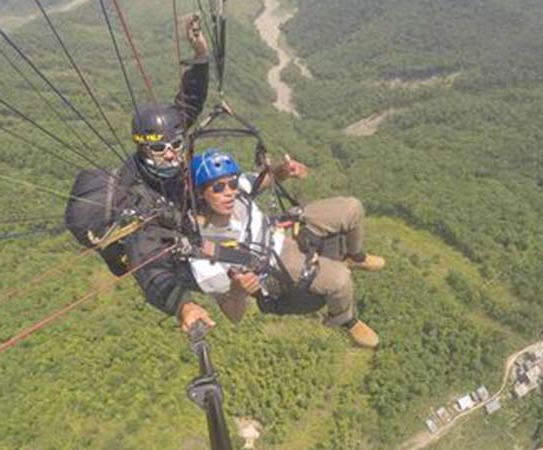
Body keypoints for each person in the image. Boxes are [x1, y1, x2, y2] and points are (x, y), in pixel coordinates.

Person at [182, 149, 386, 348]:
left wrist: (284, 171)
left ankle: (355, 256)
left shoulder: (238, 190)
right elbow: (233, 315)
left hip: (277, 230)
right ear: (200, 193)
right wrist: (238, 290)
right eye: (218, 188)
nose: (229, 193)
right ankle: (344, 320)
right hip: (272, 264)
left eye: (232, 183)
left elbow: (264, 180)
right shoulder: (203, 251)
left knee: (351, 208)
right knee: (340, 280)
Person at [119, 14, 212, 316]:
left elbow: (190, 101)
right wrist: (183, 306)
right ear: (142, 147)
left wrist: (199, 53)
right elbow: (147, 261)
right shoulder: (133, 189)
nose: (171, 154)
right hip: (170, 244)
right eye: (159, 149)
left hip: (188, 215)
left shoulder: (173, 137)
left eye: (175, 145)